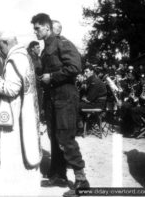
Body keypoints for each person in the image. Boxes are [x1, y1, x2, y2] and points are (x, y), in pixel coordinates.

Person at [31, 13, 89, 197]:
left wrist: (52, 77)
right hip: (52, 98)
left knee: (65, 137)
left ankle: (82, 182)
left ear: (47, 27)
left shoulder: (63, 43)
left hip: (65, 97)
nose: (35, 31)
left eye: (37, 28)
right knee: (53, 137)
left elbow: (75, 67)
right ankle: (58, 175)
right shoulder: (44, 49)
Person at [0, 30, 41, 196]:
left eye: (0, 45)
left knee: (10, 151)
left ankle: (8, 190)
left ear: (6, 43)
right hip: (25, 109)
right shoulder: (25, 56)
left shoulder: (13, 59)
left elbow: (11, 89)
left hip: (13, 114)